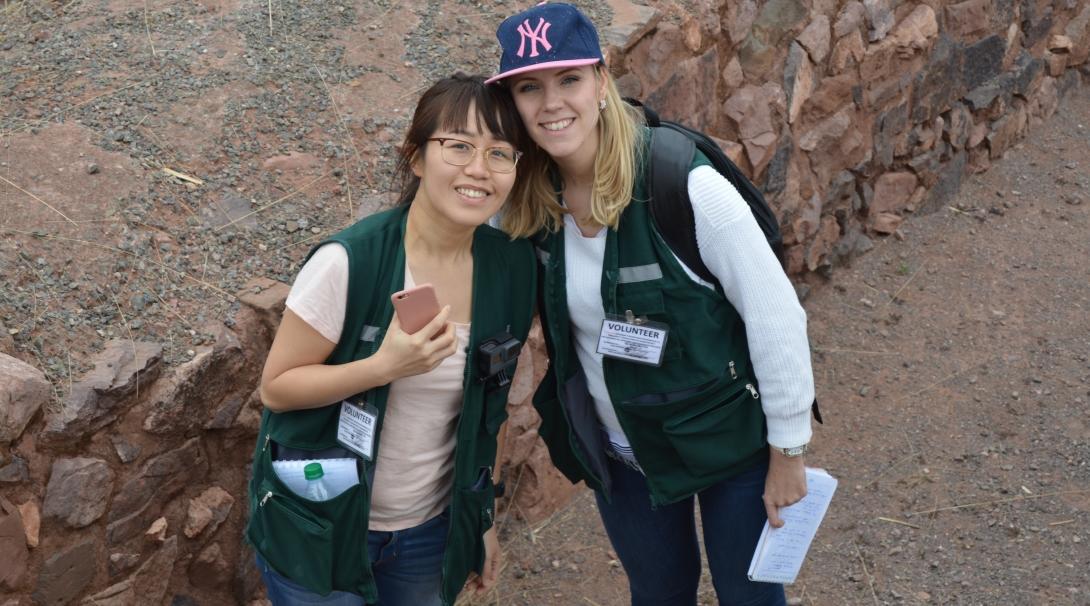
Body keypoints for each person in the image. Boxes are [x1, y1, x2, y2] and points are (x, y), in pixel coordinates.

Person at [487, 4, 815, 605]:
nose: (551, 102)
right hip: (625, 453)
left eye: (569, 79)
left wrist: (788, 451)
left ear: (602, 81)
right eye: (529, 88)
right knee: (658, 594)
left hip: (729, 449)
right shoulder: (527, 201)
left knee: (751, 599)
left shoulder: (681, 182)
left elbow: (775, 316)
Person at [244, 73, 536, 606]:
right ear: (417, 157)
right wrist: (383, 367)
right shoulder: (349, 262)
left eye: (500, 153)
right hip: (322, 521)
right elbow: (278, 389)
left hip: (431, 534)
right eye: (459, 146)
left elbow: (489, 410)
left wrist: (482, 518)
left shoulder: (512, 268)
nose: (479, 169)